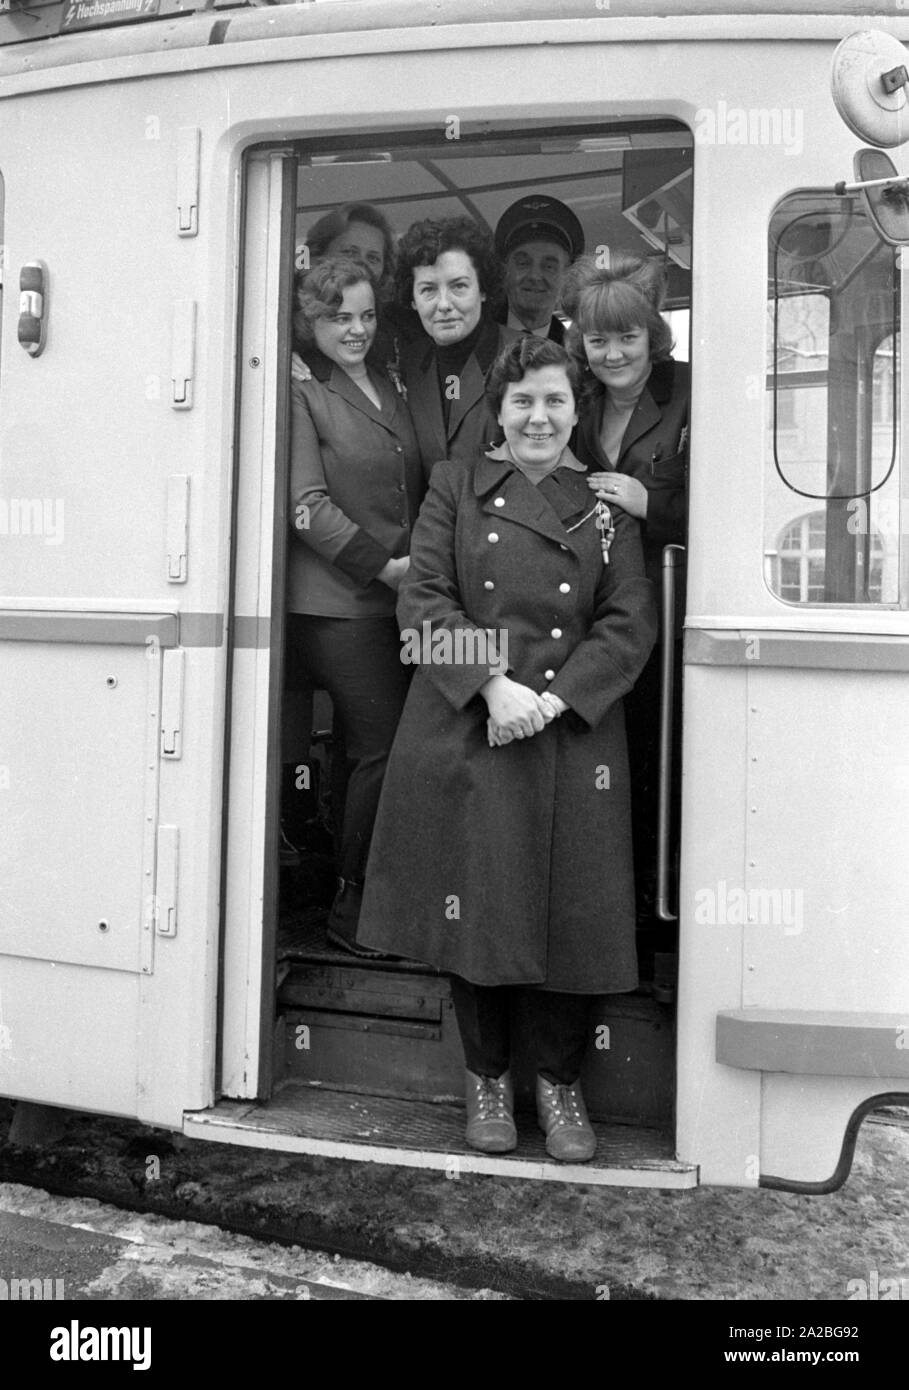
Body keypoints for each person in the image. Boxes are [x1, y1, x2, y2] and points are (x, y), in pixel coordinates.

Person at [357, 336, 657, 1161]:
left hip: (570, 732)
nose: (538, 416)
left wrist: (556, 699)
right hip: (470, 722)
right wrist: (493, 685)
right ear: (498, 407)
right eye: (522, 399)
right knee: (476, 905)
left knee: (575, 915)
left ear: (575, 409)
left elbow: (630, 620)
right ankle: (486, 1075)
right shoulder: (455, 486)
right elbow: (420, 604)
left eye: (554, 400)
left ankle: (560, 1084)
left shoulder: (599, 507)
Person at [287, 256, 425, 954]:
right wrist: (387, 570)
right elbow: (305, 509)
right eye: (339, 316)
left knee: (358, 750)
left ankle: (359, 898)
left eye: (366, 314)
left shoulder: (387, 379)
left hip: (386, 599)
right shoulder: (301, 390)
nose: (356, 329)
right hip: (337, 604)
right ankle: (356, 909)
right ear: (311, 320)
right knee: (383, 748)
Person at [564, 251, 689, 922]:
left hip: (667, 612)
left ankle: (650, 911)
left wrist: (651, 504)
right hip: (591, 609)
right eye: (598, 339)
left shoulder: (690, 392)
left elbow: (728, 501)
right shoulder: (573, 400)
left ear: (653, 335)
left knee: (655, 754)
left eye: (626, 337)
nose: (613, 354)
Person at [394, 215, 516, 475]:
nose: (444, 304)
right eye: (428, 289)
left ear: (483, 290)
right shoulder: (410, 362)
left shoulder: (528, 356)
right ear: (412, 299)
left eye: (458, 286)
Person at [295, 201, 401, 369]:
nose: (361, 264)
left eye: (373, 258)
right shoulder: (284, 317)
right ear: (318, 255)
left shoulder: (393, 327)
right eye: (349, 252)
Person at [494, 194, 584, 343]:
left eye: (549, 266)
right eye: (523, 263)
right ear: (505, 270)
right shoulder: (476, 336)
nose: (535, 276)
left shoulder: (578, 348)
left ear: (568, 276)